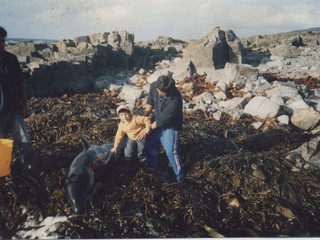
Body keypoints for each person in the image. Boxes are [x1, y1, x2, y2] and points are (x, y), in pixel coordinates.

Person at [0, 26, 37, 171]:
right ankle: (3, 172)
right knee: (2, 144)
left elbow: (20, 81)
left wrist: (24, 103)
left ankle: (31, 168)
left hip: (14, 108)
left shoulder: (11, 59)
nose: (1, 43)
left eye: (3, 40)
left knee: (24, 140)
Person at [144, 75, 184, 181]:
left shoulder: (175, 100)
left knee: (171, 150)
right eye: (158, 90)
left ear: (170, 90)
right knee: (149, 144)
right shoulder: (154, 86)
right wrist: (144, 118)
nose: (159, 93)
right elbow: (150, 102)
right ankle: (153, 166)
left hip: (170, 125)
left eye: (162, 92)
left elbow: (161, 121)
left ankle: (179, 175)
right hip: (156, 119)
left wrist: (147, 129)